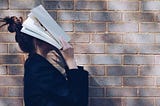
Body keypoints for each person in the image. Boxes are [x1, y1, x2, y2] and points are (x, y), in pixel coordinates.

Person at [0, 16, 88, 106]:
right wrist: (70, 60)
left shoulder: (35, 64)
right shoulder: (38, 68)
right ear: (37, 40)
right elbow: (77, 101)